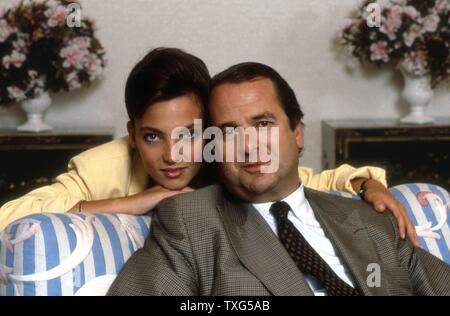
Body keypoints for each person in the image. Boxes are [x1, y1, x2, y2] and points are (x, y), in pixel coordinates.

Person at [0, 48, 416, 248]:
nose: (172, 155)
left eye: (188, 134)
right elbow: (11, 219)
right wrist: (140, 201)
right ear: (132, 134)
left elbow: (318, 180)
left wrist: (367, 186)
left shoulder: (228, 162)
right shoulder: (104, 167)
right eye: (151, 137)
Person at [108, 61, 450, 296]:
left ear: (297, 132)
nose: (249, 145)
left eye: (263, 124)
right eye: (228, 132)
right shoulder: (189, 222)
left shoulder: (372, 221)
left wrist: (365, 183)